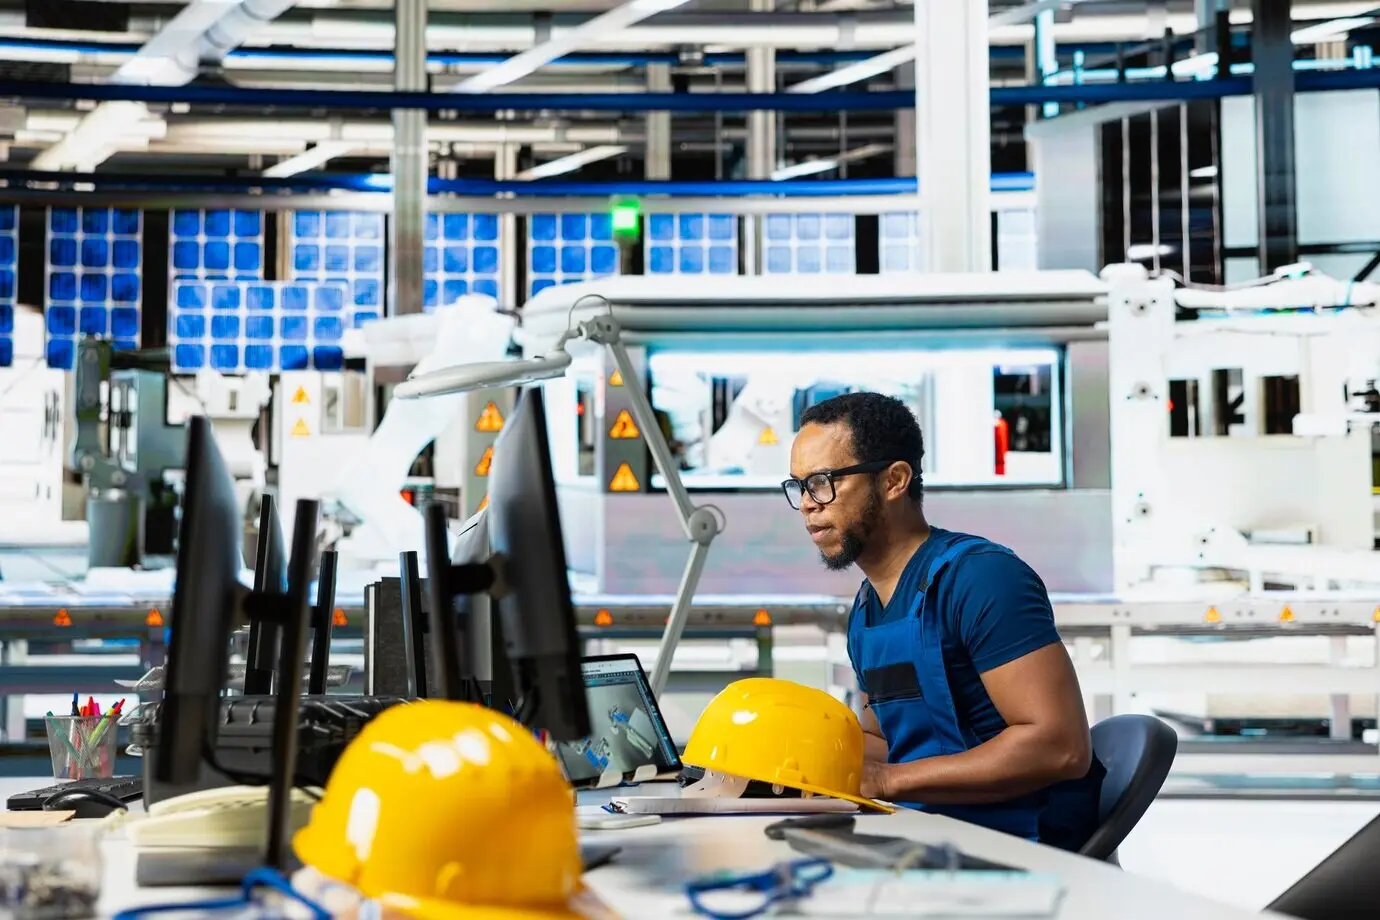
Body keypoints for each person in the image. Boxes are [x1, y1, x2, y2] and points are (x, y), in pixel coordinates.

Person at [784, 392, 1105, 851]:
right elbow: (882, 736)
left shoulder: (981, 578)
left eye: (822, 482)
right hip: (928, 837)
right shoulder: (868, 607)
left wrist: (885, 781)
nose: (808, 504)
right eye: (799, 487)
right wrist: (785, 759)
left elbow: (1061, 747)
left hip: (1017, 849)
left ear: (894, 480)